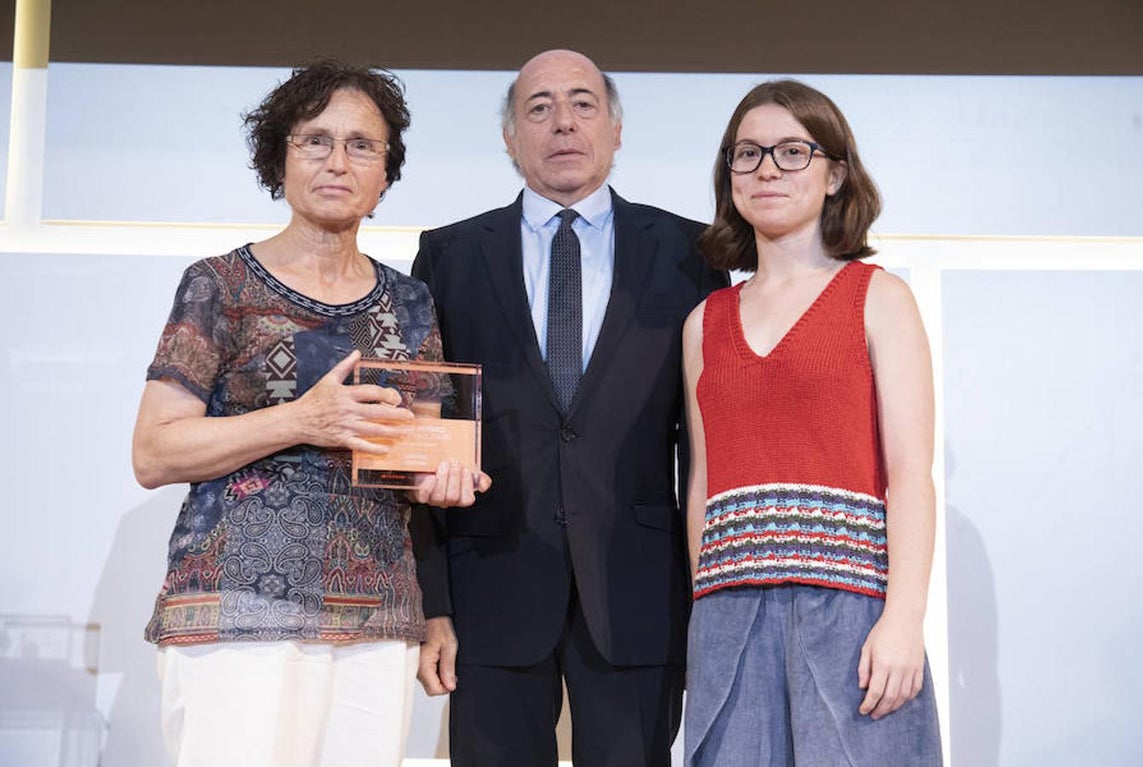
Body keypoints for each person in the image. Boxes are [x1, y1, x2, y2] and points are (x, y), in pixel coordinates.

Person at [132, 59, 489, 767]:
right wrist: (301, 419)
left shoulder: (408, 301)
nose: (337, 160)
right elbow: (154, 451)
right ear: (280, 159)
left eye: (362, 144)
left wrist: (442, 480)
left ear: (386, 174)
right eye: (315, 141)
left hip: (377, 622)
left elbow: (412, 459)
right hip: (236, 612)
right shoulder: (219, 285)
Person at [410, 49, 729, 766]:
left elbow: (707, 443)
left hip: (640, 593)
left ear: (615, 128)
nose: (563, 123)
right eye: (539, 106)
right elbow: (429, 437)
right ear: (510, 136)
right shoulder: (450, 256)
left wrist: (713, 599)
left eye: (583, 104)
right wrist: (433, 602)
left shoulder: (689, 254)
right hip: (489, 584)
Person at [682, 80, 943, 766]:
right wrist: (703, 616)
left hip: (853, 611)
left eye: (792, 151)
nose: (767, 168)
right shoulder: (704, 323)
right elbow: (703, 483)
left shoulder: (880, 298)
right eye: (748, 153)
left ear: (835, 174)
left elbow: (912, 474)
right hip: (728, 615)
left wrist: (903, 617)